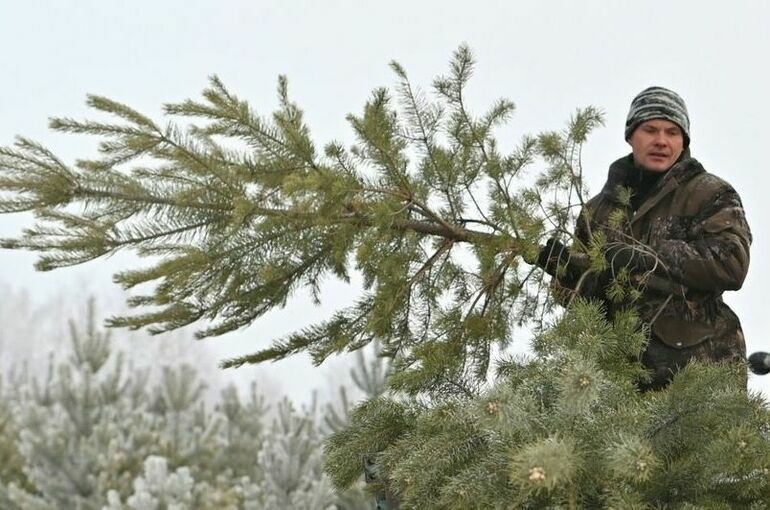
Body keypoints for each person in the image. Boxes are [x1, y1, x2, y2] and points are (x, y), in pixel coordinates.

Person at [536, 86, 752, 390]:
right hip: (618, 381)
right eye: (650, 129)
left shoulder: (709, 193)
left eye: (672, 132)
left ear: (684, 141)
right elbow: (586, 305)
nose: (661, 141)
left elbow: (731, 263)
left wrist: (646, 257)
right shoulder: (597, 211)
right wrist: (568, 275)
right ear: (630, 136)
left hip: (699, 377)